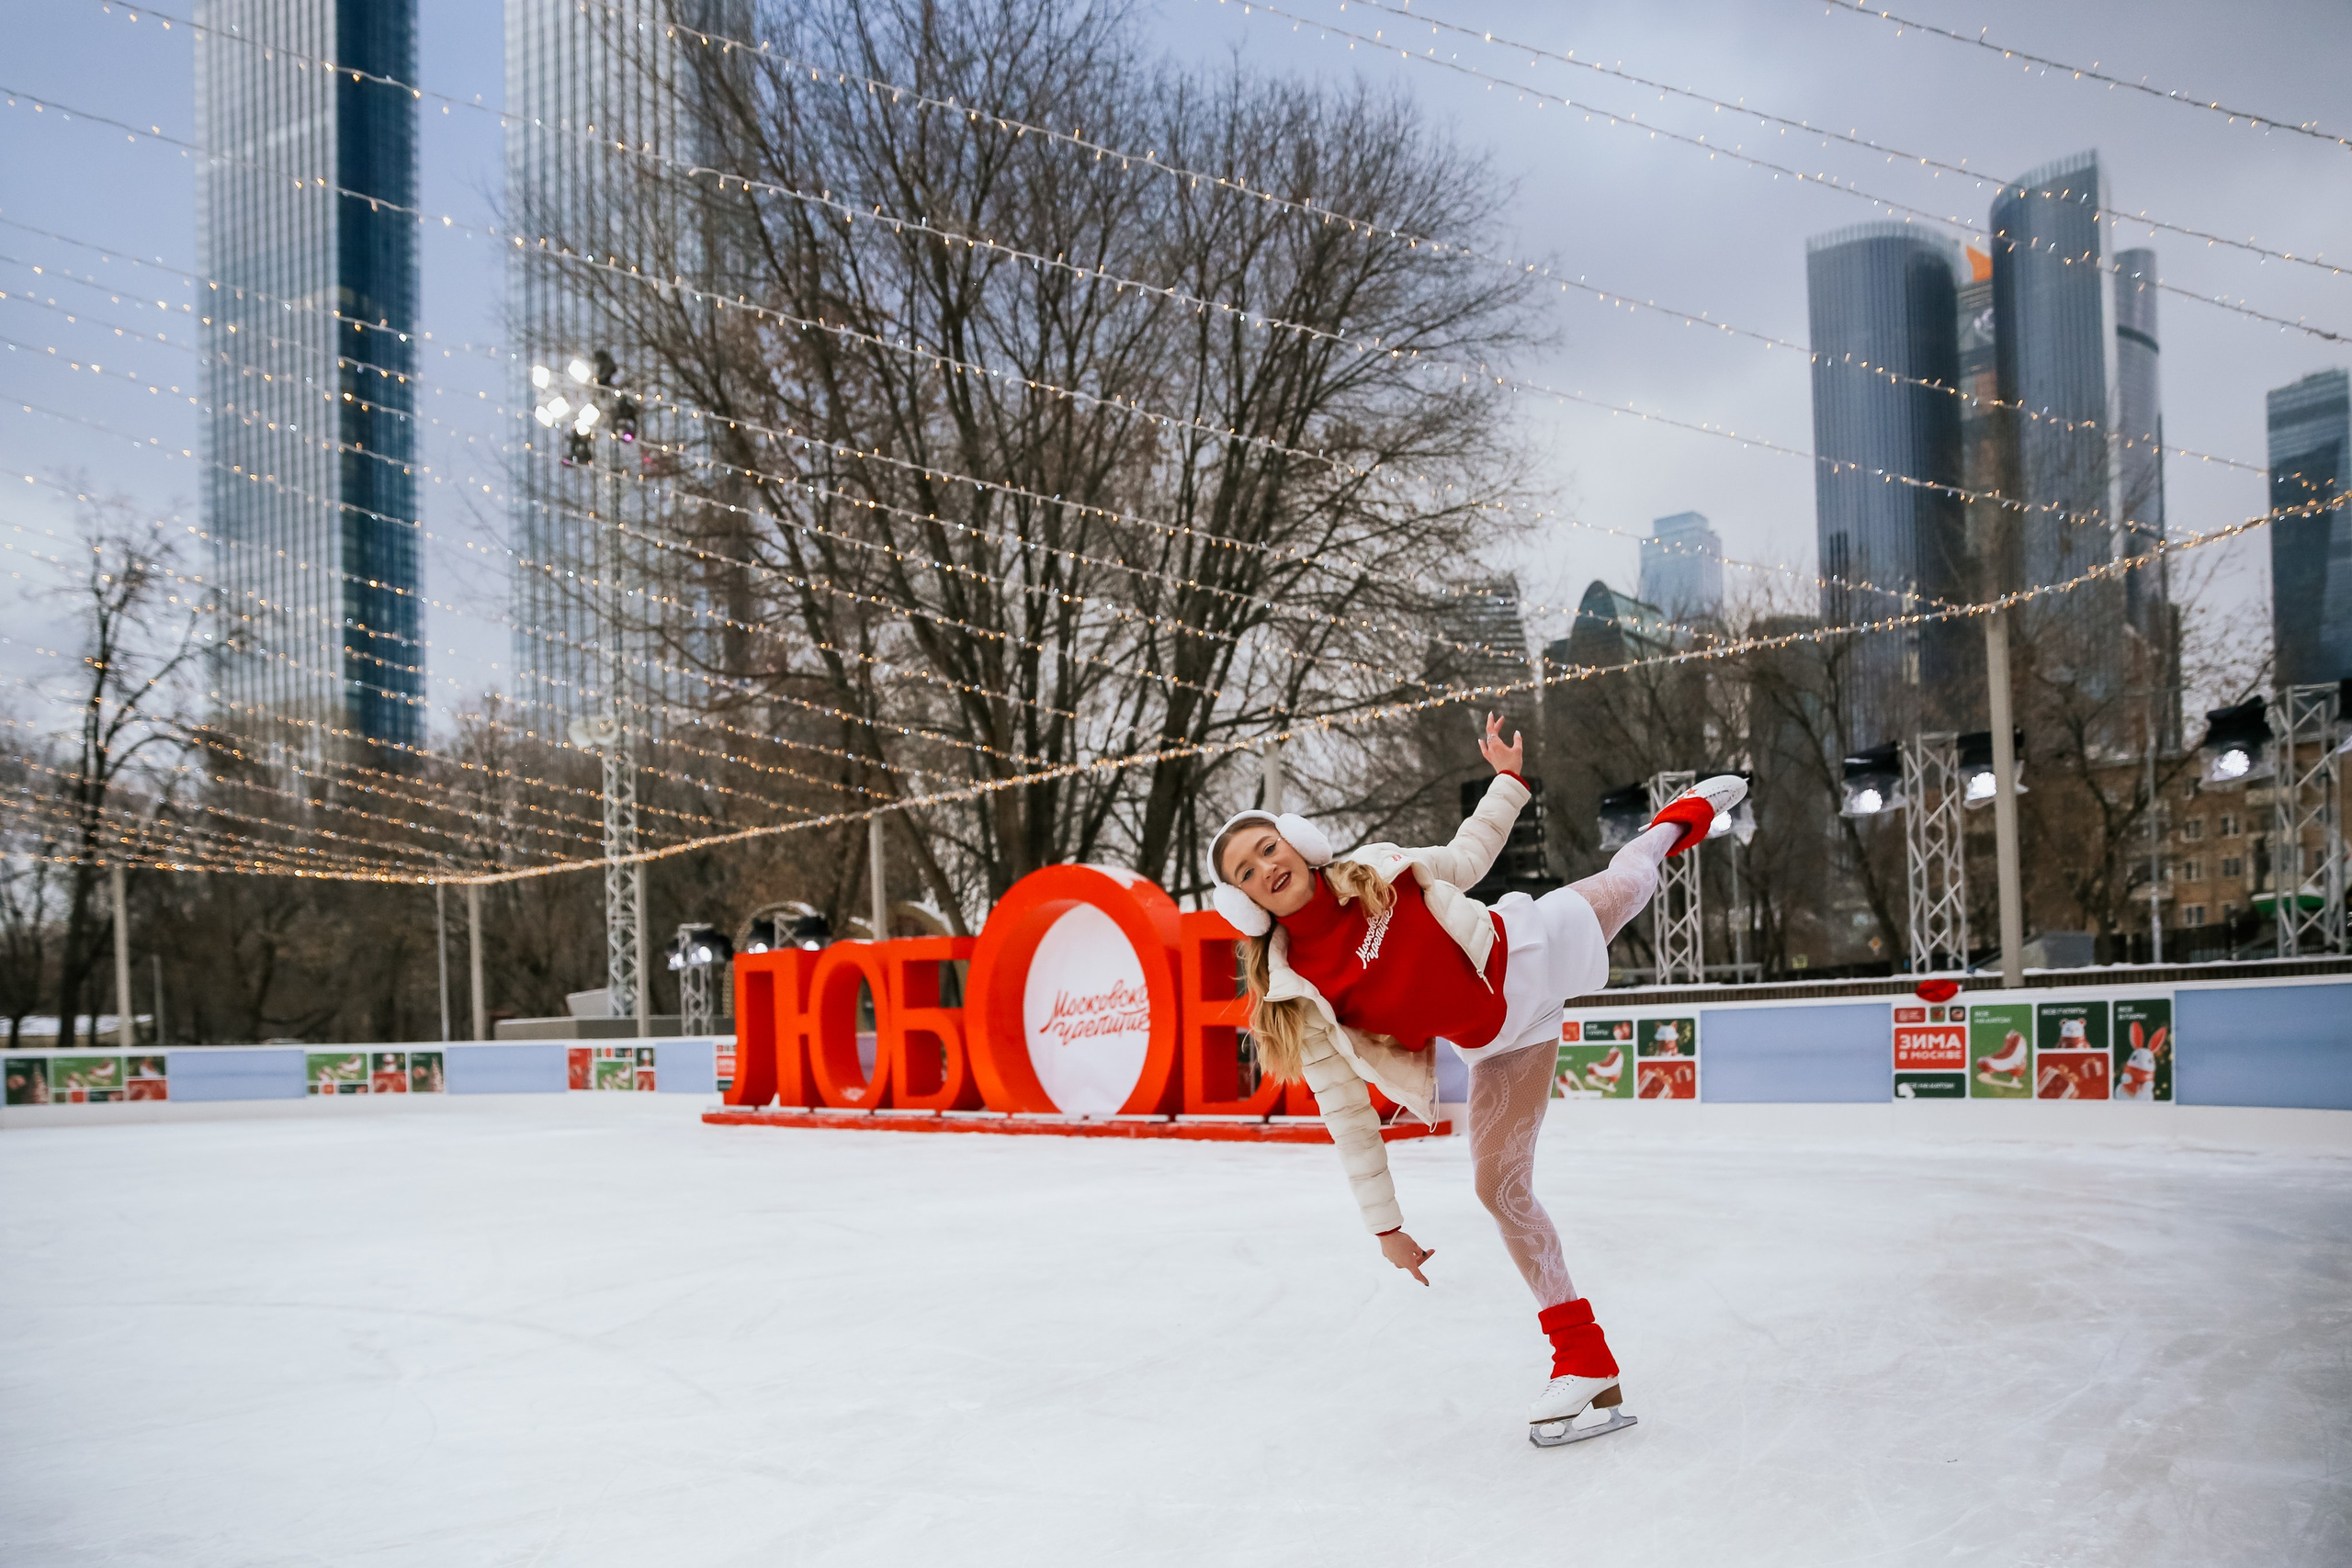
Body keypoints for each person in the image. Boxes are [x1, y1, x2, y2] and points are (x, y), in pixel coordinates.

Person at [1208, 714, 1744, 1447]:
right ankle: (1582, 1356)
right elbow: (1347, 1115)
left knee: (1632, 880)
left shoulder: (1377, 870)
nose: (1265, 866)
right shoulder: (1302, 995)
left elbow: (1467, 856)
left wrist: (1507, 781)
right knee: (1499, 1187)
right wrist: (1386, 1226)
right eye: (1246, 871)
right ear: (1245, 902)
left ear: (1296, 842)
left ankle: (1676, 823)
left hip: (1526, 949)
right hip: (1499, 1041)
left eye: (1268, 847)